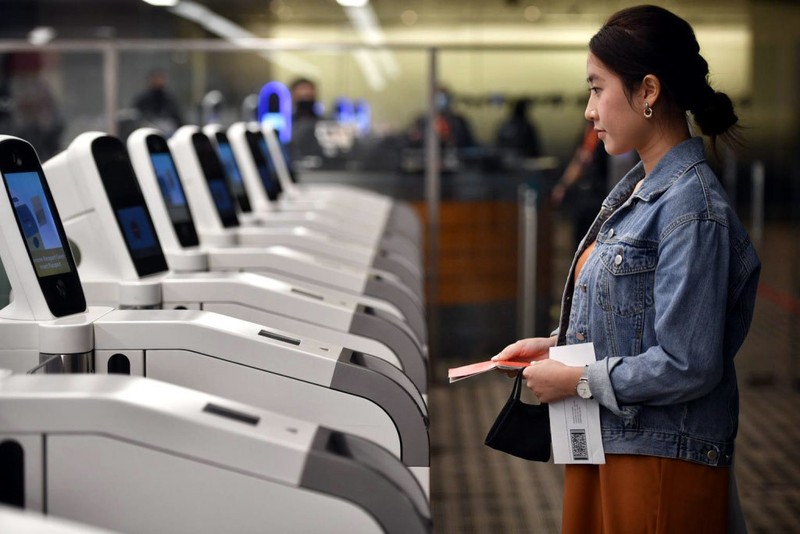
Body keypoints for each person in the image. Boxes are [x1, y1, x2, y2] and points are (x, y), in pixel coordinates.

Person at [492, 5, 761, 533]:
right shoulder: (639, 191)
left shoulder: (691, 209)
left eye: (597, 89)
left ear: (648, 91)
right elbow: (635, 322)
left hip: (659, 458)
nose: (589, 110)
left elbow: (688, 362)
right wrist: (555, 346)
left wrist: (576, 379)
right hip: (614, 444)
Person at [551, 120, 609, 249]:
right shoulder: (589, 133)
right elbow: (580, 160)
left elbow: (580, 161)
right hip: (585, 195)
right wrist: (563, 185)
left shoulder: (603, 134)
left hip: (600, 193)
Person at [132, 69, 184, 135]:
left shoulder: (169, 98)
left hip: (167, 129)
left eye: (161, 78)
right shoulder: (143, 98)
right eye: (157, 78)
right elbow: (137, 115)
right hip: (148, 127)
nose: (159, 81)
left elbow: (177, 116)